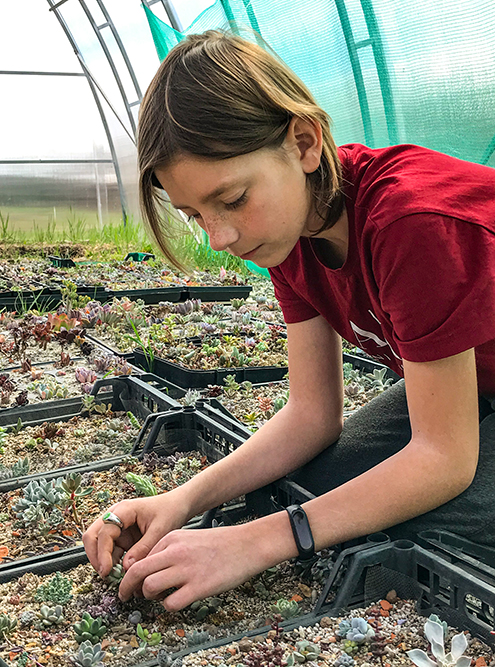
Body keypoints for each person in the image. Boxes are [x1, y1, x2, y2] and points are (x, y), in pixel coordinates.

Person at [82, 29, 495, 612]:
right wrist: (181, 500)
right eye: (195, 214)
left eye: (232, 199)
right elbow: (311, 416)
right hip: (476, 382)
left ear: (304, 142)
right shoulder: (291, 233)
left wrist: (255, 543)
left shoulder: (411, 223)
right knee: (323, 487)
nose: (220, 236)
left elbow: (443, 458)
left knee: (407, 516)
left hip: (463, 413)